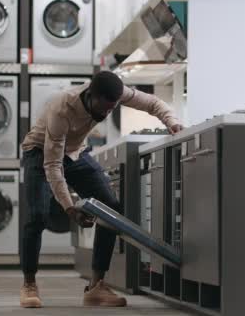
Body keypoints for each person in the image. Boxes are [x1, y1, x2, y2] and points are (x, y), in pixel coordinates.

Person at [19, 71, 183, 308]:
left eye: (112, 108)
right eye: (104, 108)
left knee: (110, 209)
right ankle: (29, 284)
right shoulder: (61, 109)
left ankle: (96, 287)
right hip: (40, 151)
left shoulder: (115, 93)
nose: (107, 112)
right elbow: (53, 165)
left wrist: (172, 122)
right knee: (37, 216)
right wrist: (69, 208)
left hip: (75, 152)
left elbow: (152, 103)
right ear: (90, 96)